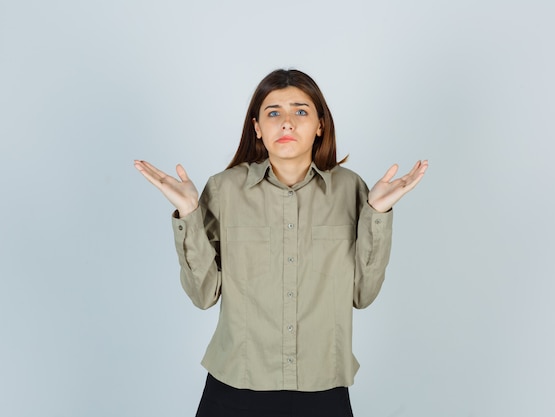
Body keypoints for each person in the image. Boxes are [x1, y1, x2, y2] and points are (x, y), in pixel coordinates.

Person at [134, 69, 428, 417]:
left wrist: (378, 211)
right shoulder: (224, 190)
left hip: (323, 388)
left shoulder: (351, 190)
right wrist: (188, 213)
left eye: (301, 111)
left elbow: (362, 295)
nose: (286, 123)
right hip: (235, 385)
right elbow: (203, 295)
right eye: (273, 112)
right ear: (257, 127)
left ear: (320, 124)